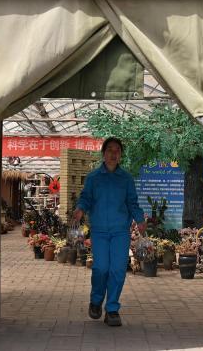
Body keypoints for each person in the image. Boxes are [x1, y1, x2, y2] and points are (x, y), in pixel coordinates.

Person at [72, 137, 146, 327]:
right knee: (101, 268)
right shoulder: (93, 177)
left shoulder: (126, 179)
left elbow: (132, 202)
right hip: (99, 231)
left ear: (120, 155)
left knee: (118, 269)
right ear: (103, 153)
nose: (114, 153)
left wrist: (139, 219)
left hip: (120, 231)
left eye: (117, 150)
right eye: (110, 150)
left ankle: (112, 309)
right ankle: (96, 300)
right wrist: (80, 208)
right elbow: (86, 198)